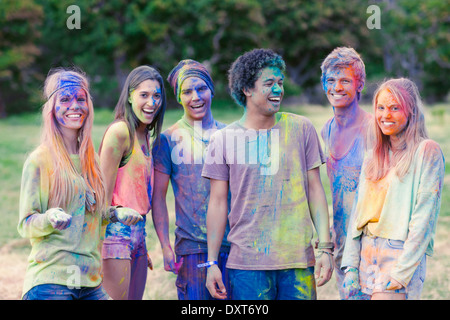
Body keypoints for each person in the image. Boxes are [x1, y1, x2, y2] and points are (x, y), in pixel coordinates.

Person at [202, 48, 333, 300]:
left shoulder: (301, 128)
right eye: (269, 83)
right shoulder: (223, 140)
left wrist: (325, 248)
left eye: (280, 83)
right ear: (247, 89)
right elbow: (217, 203)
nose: (278, 89)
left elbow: (315, 190)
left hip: (296, 261)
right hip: (247, 265)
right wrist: (211, 263)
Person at [18, 67, 141, 300]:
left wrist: (116, 213)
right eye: (65, 99)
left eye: (80, 99)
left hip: (90, 283)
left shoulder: (91, 161)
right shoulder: (39, 160)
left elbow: (91, 215)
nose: (74, 105)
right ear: (52, 108)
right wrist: (50, 217)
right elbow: (26, 223)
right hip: (50, 281)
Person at [341, 78, 445, 300]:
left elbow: (424, 219)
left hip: (398, 254)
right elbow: (357, 217)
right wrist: (350, 266)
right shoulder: (372, 157)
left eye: (394, 108)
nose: (385, 115)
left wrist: (402, 272)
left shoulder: (427, 152)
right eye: (380, 108)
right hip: (364, 255)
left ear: (411, 112)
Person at [152, 59, 231, 300]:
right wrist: (165, 246)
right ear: (178, 97)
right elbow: (158, 198)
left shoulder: (232, 135)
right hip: (192, 247)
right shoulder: (168, 140)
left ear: (212, 90)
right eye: (187, 91)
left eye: (201, 88)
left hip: (234, 246)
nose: (195, 97)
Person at [99, 65, 166, 300]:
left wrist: (140, 243)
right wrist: (97, 250)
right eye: (144, 95)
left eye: (157, 95)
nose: (152, 102)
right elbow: (100, 199)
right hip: (115, 233)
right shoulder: (120, 132)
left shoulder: (146, 136)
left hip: (139, 234)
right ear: (129, 96)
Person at [319, 47, 373, 299]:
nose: (337, 87)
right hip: (342, 243)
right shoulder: (326, 131)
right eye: (330, 80)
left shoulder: (375, 129)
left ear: (359, 83)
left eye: (345, 80)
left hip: (372, 246)